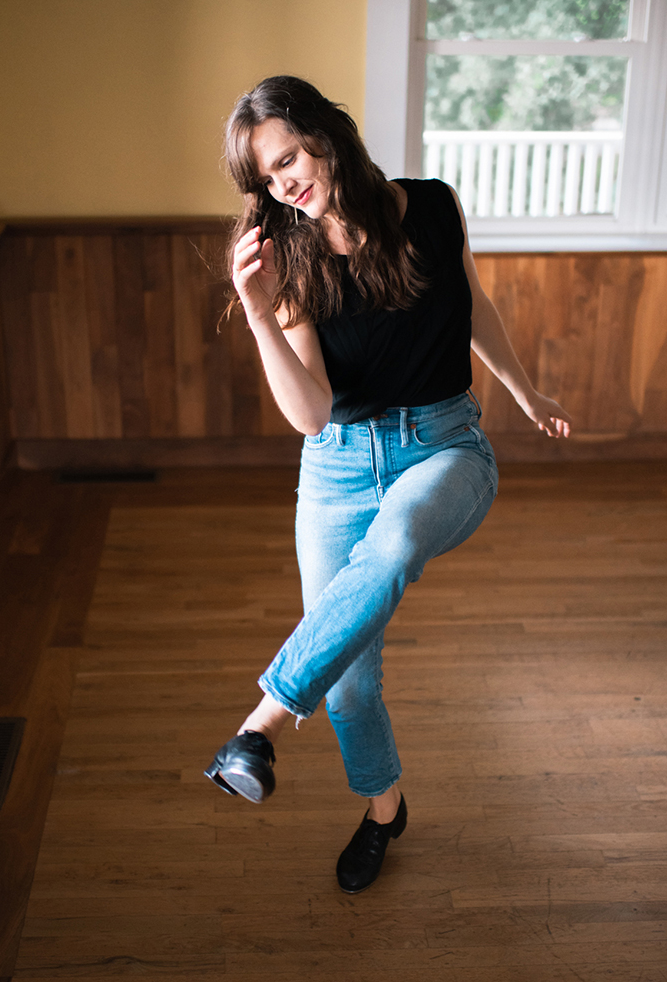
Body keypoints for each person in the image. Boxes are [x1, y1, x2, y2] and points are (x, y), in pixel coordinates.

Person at [205, 75, 571, 894]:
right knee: (350, 683)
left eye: (290, 156)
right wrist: (260, 313)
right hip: (334, 466)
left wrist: (524, 393)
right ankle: (384, 810)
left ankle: (261, 722)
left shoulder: (434, 208)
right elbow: (309, 415)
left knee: (397, 540)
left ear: (328, 134)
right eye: (267, 176)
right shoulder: (290, 261)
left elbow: (472, 305)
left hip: (444, 449)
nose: (285, 182)